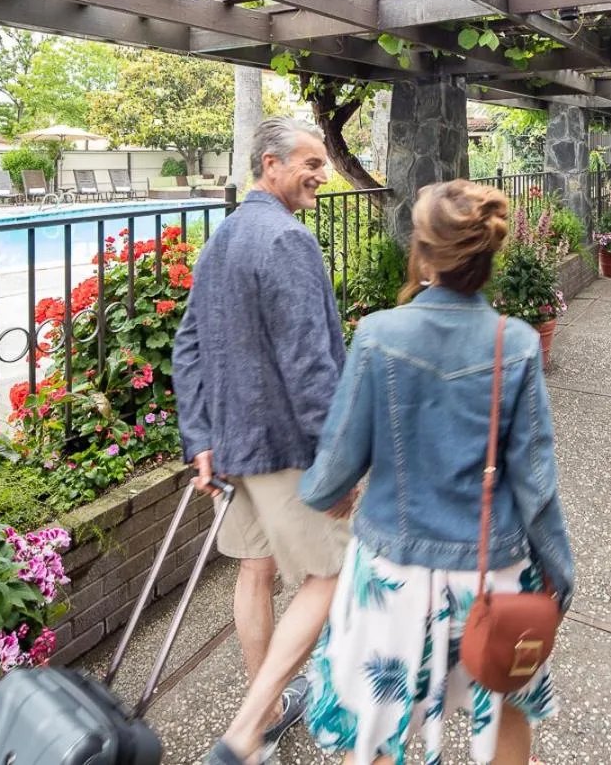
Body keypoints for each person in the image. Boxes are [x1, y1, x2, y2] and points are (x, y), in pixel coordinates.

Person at [298, 180, 575, 765]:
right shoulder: (517, 343)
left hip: (392, 575)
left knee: (376, 733)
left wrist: (321, 491)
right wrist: (558, 569)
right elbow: (536, 481)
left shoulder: (378, 335)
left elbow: (336, 467)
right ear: (488, 257)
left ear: (423, 255)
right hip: (493, 572)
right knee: (505, 708)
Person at [172, 117, 354, 765]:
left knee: (255, 569)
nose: (322, 175)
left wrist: (200, 435)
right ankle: (249, 729)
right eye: (311, 162)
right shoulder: (288, 240)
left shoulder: (222, 237)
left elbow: (187, 345)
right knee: (331, 575)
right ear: (270, 164)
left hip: (231, 447)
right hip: (284, 448)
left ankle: (268, 716)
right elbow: (310, 366)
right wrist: (339, 461)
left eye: (323, 163)